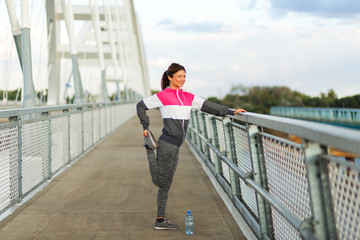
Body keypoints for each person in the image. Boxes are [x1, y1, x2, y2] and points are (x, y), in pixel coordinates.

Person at [136, 63, 246, 230]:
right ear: (170, 77)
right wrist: (145, 126)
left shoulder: (188, 97)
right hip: (167, 143)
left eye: (184, 76)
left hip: (177, 146)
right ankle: (150, 150)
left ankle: (160, 220)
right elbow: (141, 106)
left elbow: (210, 107)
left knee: (166, 184)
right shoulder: (163, 96)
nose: (182, 80)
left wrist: (230, 111)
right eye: (179, 76)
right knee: (160, 181)